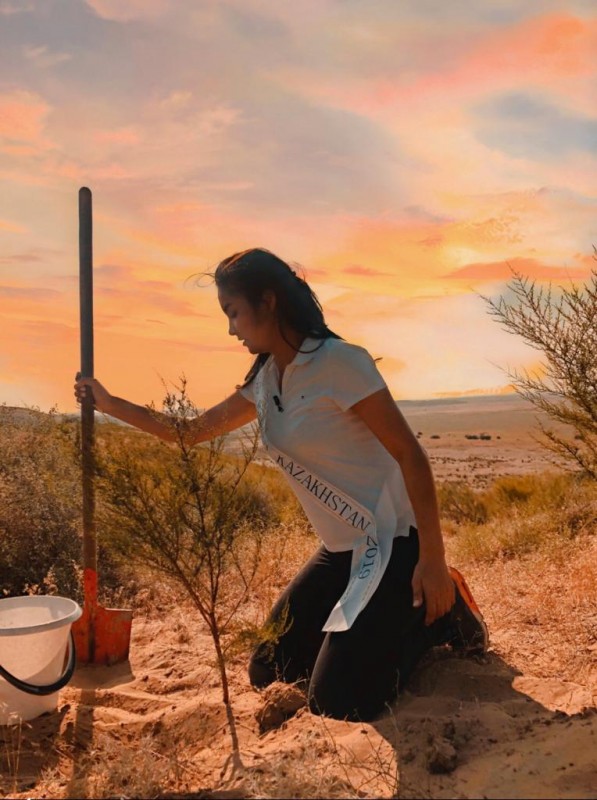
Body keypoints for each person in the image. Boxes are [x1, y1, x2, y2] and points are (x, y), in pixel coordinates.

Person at [74, 247, 488, 722]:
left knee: (339, 702)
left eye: (233, 312)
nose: (231, 329)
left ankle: (439, 616)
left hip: (393, 542)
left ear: (267, 302)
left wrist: (432, 560)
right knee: (271, 670)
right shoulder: (266, 380)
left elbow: (411, 456)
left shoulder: (340, 363)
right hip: (341, 552)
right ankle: (378, 626)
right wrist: (110, 403)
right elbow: (189, 432)